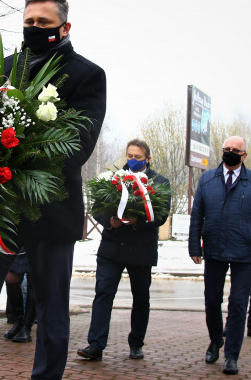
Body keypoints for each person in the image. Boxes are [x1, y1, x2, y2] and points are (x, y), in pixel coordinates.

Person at [0, 0, 107, 380]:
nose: (34, 29)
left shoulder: (87, 75)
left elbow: (78, 145)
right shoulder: (1, 69)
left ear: (64, 27)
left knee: (52, 312)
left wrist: (17, 160)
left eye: (44, 23)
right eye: (29, 22)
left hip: (51, 209)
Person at [77, 139, 171, 362]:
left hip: (141, 251)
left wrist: (137, 220)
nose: (132, 160)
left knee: (141, 299)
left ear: (148, 159)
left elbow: (161, 215)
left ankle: (136, 344)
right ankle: (96, 345)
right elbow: (97, 208)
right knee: (103, 295)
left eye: (138, 157)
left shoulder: (159, 182)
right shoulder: (113, 178)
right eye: (129, 156)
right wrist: (110, 220)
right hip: (112, 248)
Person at [188, 136, 251, 375]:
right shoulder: (207, 179)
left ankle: (232, 355)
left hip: (244, 252)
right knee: (212, 301)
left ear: (244, 155)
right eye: (227, 149)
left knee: (238, 304)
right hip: (214, 249)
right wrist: (195, 246)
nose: (230, 152)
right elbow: (197, 216)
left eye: (236, 150)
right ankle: (216, 341)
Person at [2, 251, 35, 343]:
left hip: (39, 243)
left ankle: (26, 328)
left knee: (34, 282)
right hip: (19, 244)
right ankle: (18, 322)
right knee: (10, 278)